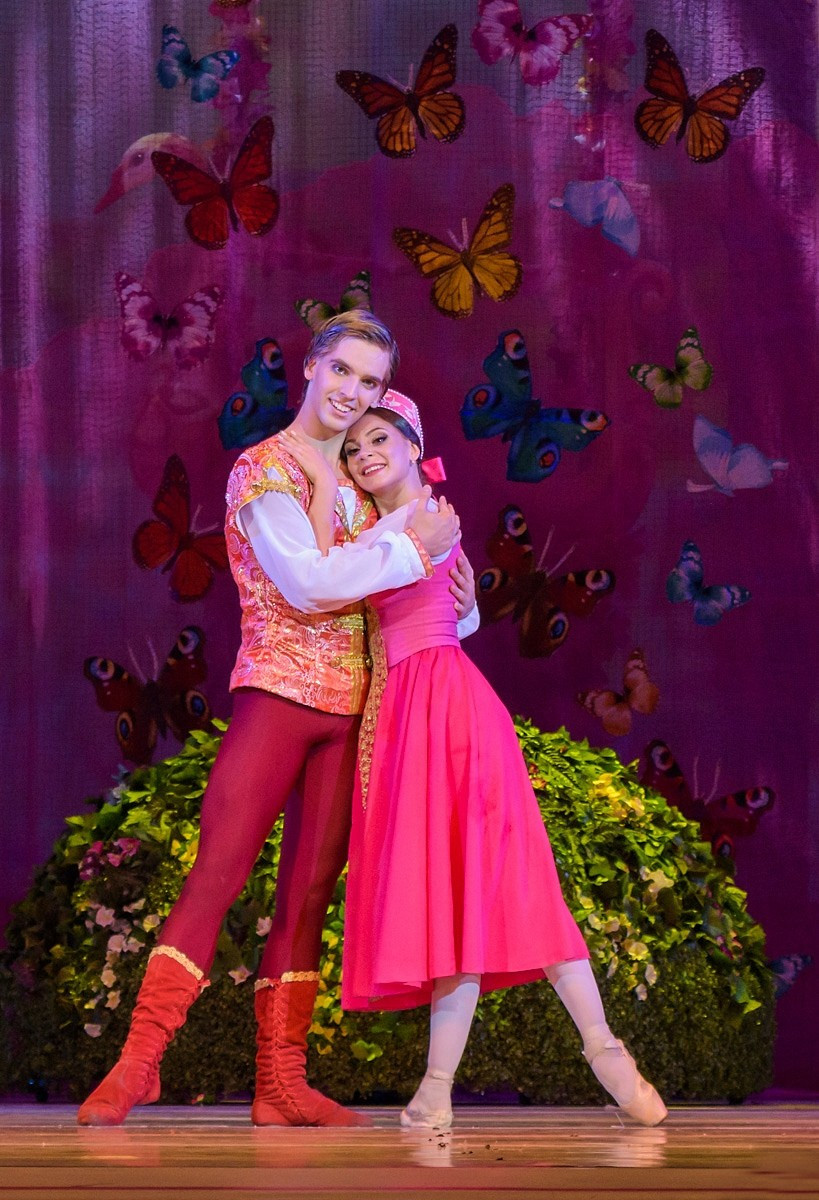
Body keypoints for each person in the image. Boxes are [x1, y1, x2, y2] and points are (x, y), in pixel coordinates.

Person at [77, 311, 476, 1128]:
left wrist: (458, 595)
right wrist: (411, 549)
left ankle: (281, 1083)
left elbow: (418, 600)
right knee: (217, 876)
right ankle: (139, 1063)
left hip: (353, 712)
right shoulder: (262, 468)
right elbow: (305, 584)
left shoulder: (367, 479)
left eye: (370, 381)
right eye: (343, 371)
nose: (353, 391)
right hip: (278, 696)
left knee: (308, 897)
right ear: (311, 367)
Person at [286, 389, 668, 1131]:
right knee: (458, 901)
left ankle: (589, 1050)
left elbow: (326, 576)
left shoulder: (420, 519)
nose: (364, 455)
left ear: (412, 445)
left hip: (443, 709)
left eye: (378, 440)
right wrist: (462, 604)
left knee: (501, 887)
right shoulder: (414, 523)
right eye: (353, 448)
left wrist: (323, 479)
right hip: (414, 709)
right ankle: (457, 1083)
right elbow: (444, 611)